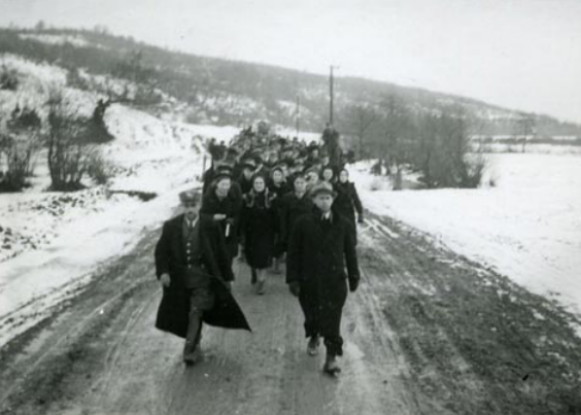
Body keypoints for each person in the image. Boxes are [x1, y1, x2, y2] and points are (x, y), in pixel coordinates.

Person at [154, 190, 251, 366]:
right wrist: (163, 272)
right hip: (180, 280)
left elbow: (221, 253)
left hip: (203, 278)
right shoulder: (171, 226)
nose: (190, 209)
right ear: (183, 207)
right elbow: (161, 253)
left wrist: (226, 278)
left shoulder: (210, 225)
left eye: (194, 205)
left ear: (199, 206)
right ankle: (196, 339)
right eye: (187, 206)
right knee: (185, 312)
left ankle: (189, 349)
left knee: (196, 311)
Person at [286, 182, 360, 376]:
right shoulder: (303, 223)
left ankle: (331, 358)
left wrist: (354, 276)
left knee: (333, 319)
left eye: (328, 198)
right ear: (313, 200)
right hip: (309, 280)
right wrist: (292, 279)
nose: (325, 201)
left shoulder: (343, 223)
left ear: (333, 199)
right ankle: (313, 335)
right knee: (312, 315)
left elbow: (350, 253)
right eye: (320, 198)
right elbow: (293, 252)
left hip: (334, 280)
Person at [241, 174, 277, 294]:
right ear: (253, 184)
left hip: (267, 233)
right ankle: (255, 274)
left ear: (265, 184)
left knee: (263, 257)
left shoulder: (272, 197)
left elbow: (276, 215)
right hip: (251, 233)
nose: (258, 185)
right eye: (256, 183)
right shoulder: (247, 197)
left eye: (261, 183)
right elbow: (243, 215)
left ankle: (261, 282)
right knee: (252, 256)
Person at [200, 173, 242, 266]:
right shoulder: (208, 198)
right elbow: (202, 215)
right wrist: (213, 217)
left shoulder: (233, 197)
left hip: (228, 236)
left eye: (228, 184)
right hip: (212, 235)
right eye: (223, 184)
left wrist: (233, 220)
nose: (226, 187)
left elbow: (239, 213)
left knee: (227, 261)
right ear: (216, 185)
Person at [279, 174, 312, 254]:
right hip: (291, 231)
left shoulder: (311, 199)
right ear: (294, 184)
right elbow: (283, 218)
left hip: (306, 232)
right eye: (297, 183)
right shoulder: (287, 198)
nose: (299, 185)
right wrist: (284, 234)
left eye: (302, 183)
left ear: (306, 184)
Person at [333, 169, 364, 243]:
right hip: (337, 211)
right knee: (338, 232)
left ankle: (350, 248)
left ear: (347, 176)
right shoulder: (334, 186)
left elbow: (356, 199)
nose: (343, 177)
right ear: (338, 177)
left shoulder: (351, 187)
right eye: (341, 175)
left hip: (348, 212)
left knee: (350, 231)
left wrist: (360, 212)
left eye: (344, 175)